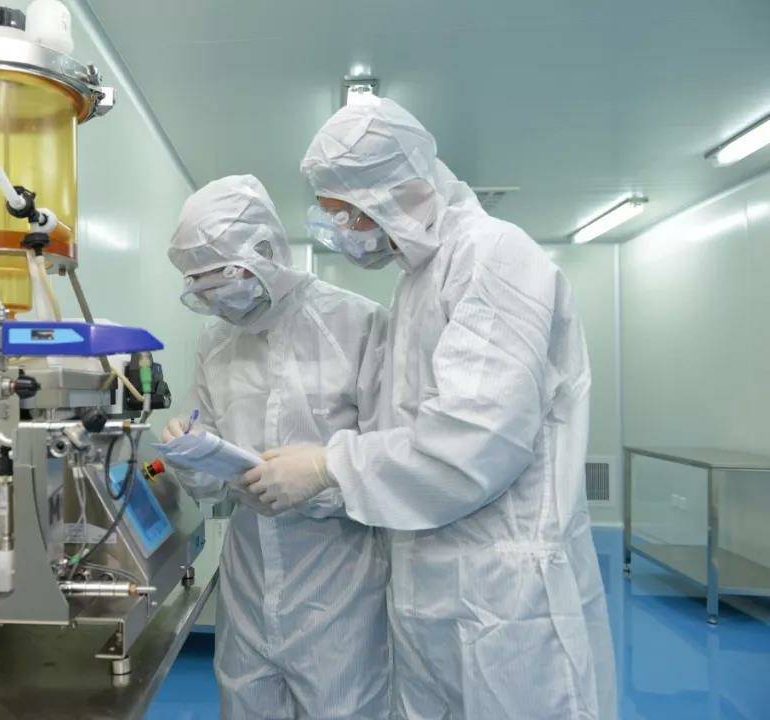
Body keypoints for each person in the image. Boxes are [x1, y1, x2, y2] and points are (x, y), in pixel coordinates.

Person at [242, 98, 617, 720]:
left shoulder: (493, 257)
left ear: (398, 193)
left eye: (348, 214)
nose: (343, 231)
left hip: (506, 601)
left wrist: (329, 466)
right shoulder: (418, 279)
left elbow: (472, 443)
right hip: (431, 590)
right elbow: (406, 430)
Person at [163, 174, 392, 720]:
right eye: (204, 290)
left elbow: (393, 459)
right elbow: (210, 471)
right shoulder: (216, 341)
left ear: (266, 251)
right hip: (247, 582)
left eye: (227, 280)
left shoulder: (358, 324)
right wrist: (190, 458)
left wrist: (322, 478)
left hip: (340, 586)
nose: (220, 303)